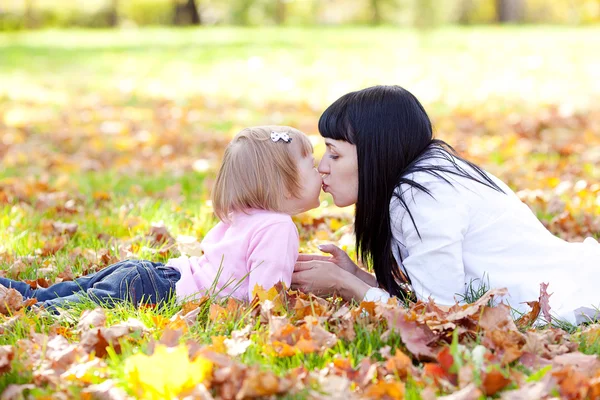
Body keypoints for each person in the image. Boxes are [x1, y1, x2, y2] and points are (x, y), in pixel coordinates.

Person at [292, 85, 600, 325]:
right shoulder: (427, 178)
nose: (322, 167)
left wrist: (344, 285)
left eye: (334, 154)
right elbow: (427, 297)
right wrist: (357, 276)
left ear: (375, 152)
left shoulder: (423, 198)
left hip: (568, 294)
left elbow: (440, 317)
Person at [0, 126, 322, 312]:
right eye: (310, 163)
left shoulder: (245, 213)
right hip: (156, 291)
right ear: (282, 184)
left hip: (150, 274)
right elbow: (266, 299)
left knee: (48, 295)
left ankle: (8, 290)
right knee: (52, 311)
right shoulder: (279, 227)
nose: (321, 169)